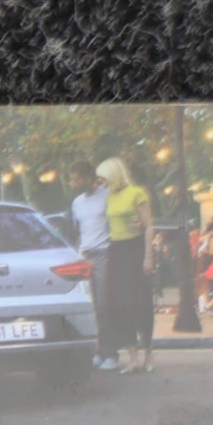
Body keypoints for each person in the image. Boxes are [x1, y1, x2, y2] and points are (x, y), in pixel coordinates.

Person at [96, 157, 155, 373]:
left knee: (141, 302)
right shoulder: (109, 197)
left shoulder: (136, 193)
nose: (100, 181)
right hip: (116, 249)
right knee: (121, 304)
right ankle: (132, 357)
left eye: (103, 177)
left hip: (135, 248)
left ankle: (148, 352)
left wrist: (148, 257)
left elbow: (149, 226)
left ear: (113, 175)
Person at [65, 160, 115, 370]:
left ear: (88, 178)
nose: (72, 183)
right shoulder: (77, 203)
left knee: (104, 305)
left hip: (104, 254)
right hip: (84, 256)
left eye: (76, 179)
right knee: (91, 307)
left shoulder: (107, 196)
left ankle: (111, 353)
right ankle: (100, 351)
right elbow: (76, 231)